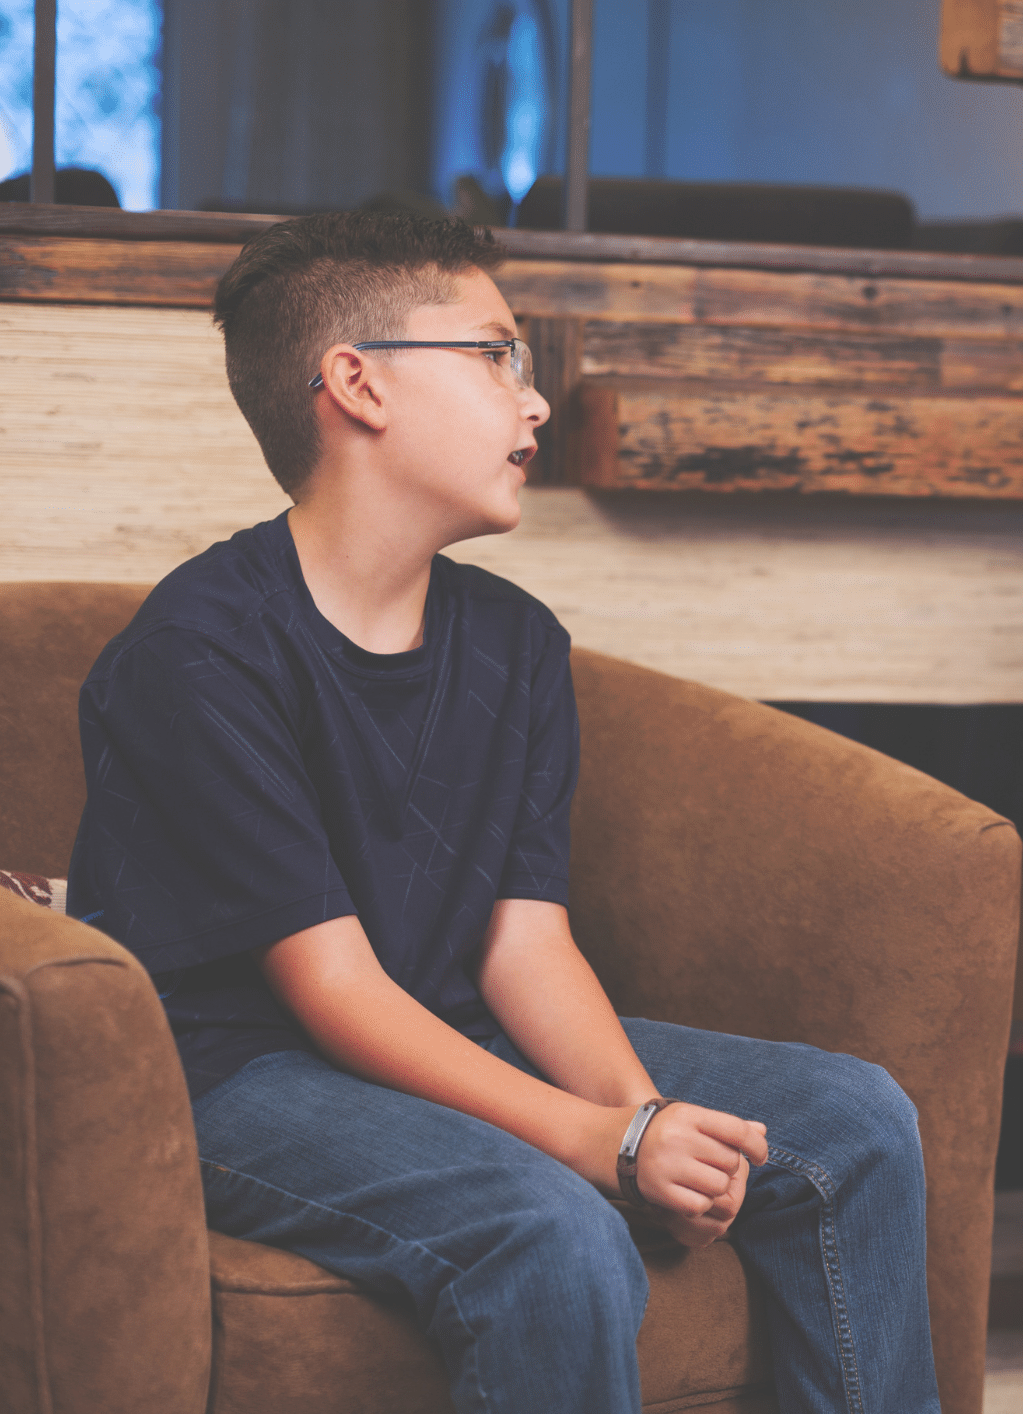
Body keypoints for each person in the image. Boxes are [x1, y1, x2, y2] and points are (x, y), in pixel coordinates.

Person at [66, 212, 940, 1414]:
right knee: (551, 1229)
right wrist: (596, 1147)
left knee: (856, 1123)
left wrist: (642, 1118)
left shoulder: (516, 642)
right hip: (237, 1072)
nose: (534, 401)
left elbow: (523, 944)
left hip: (451, 1018)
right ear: (358, 383)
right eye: (494, 355)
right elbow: (331, 989)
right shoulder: (198, 651)